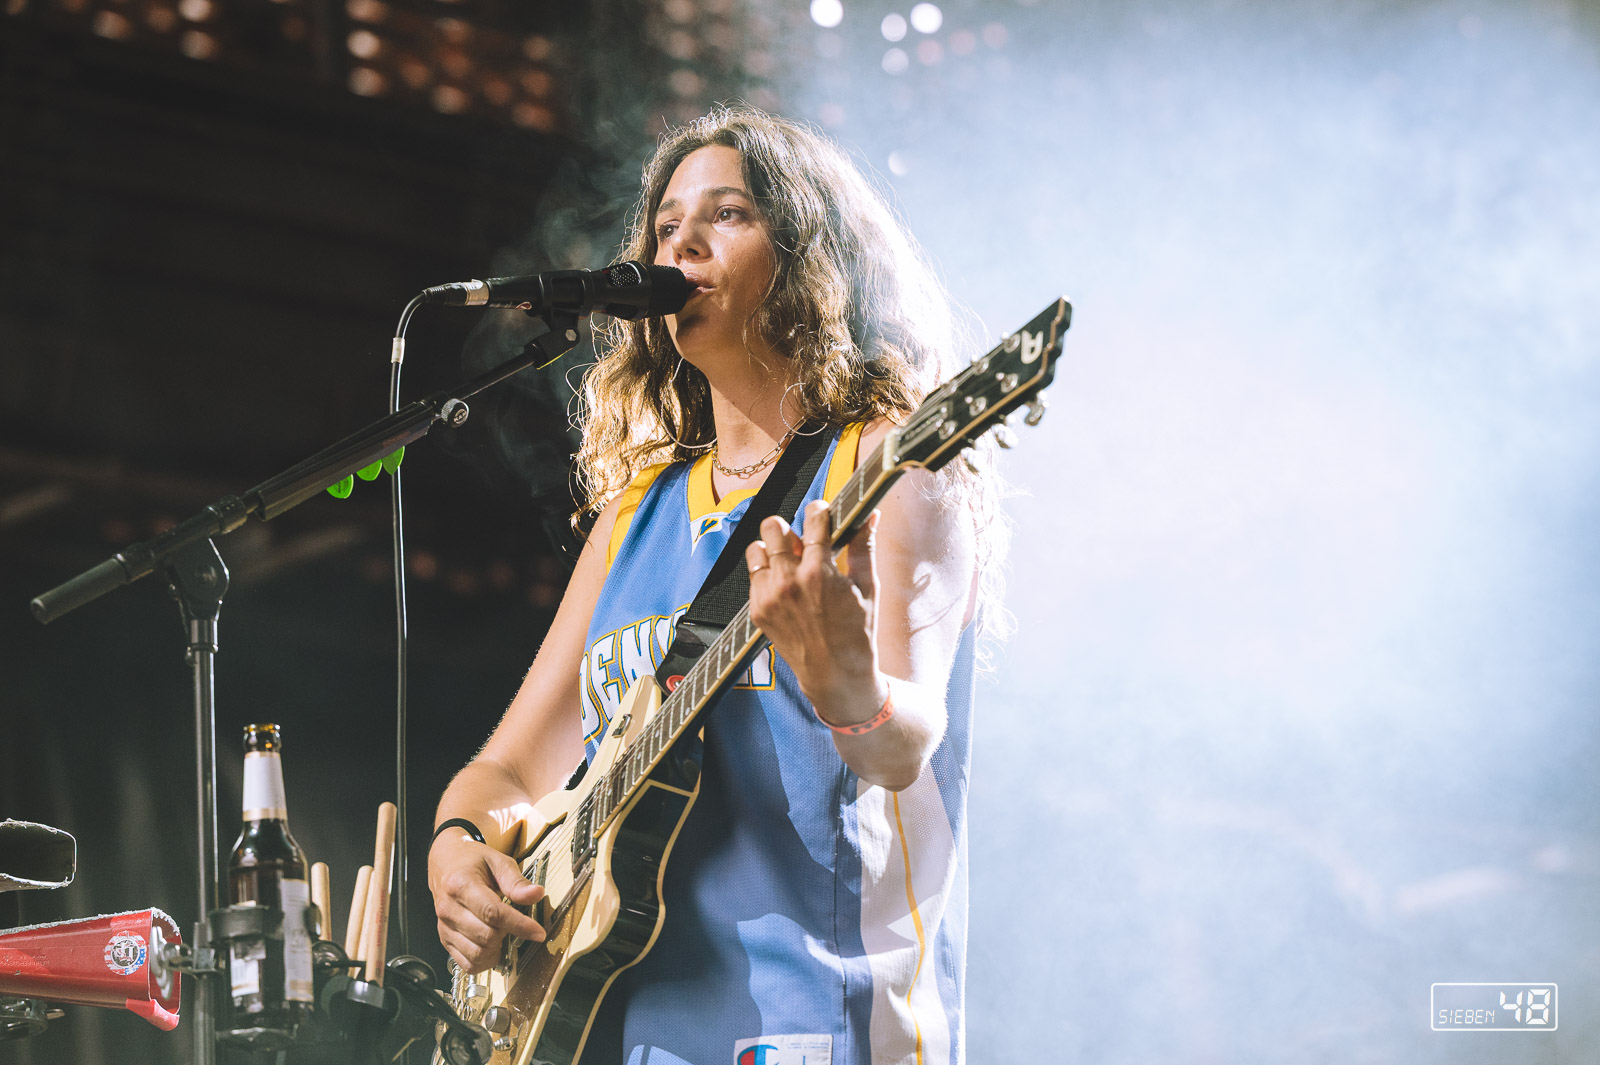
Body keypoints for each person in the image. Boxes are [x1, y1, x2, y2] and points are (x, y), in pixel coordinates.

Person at [428, 106, 1003, 1065]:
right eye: (665, 225)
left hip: (817, 1022)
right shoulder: (635, 513)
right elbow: (512, 769)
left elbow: (910, 743)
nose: (683, 239)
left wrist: (849, 689)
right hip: (618, 1030)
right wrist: (456, 847)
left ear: (814, 260)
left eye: (728, 214)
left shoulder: (890, 470)